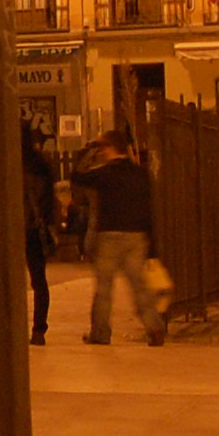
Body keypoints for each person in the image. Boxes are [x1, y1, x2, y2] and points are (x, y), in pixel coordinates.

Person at [73, 132, 166, 347]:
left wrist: (87, 151)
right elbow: (149, 209)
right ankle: (154, 327)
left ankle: (101, 333)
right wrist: (152, 245)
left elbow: (78, 177)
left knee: (104, 288)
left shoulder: (104, 173)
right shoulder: (141, 174)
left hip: (110, 236)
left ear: (107, 148)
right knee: (139, 286)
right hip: (136, 235)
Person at [22, 125, 58, 345]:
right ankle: (38, 329)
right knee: (39, 281)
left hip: (10, 229)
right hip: (34, 229)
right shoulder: (42, 165)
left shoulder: (4, 161)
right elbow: (49, 202)